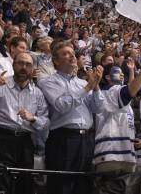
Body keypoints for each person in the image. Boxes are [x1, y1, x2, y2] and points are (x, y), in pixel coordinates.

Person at [0, 51, 48, 194]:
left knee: (25, 184)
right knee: (1, 182)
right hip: (2, 139)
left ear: (32, 69)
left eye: (28, 65)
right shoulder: (1, 84)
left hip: (26, 141)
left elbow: (45, 123)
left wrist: (33, 118)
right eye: (20, 63)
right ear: (13, 65)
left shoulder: (38, 93)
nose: (24, 67)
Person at [37, 40, 104, 194]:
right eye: (66, 54)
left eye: (73, 54)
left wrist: (96, 86)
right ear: (55, 61)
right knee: (62, 186)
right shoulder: (48, 81)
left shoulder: (82, 82)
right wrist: (89, 86)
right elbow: (62, 105)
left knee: (83, 186)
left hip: (86, 140)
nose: (72, 57)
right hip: (63, 139)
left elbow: (98, 108)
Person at [94, 57, 141, 176]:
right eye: (116, 72)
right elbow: (130, 91)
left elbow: (129, 90)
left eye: (122, 73)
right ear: (107, 77)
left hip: (125, 156)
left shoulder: (125, 103)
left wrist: (136, 139)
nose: (120, 75)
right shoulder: (109, 92)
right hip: (111, 155)